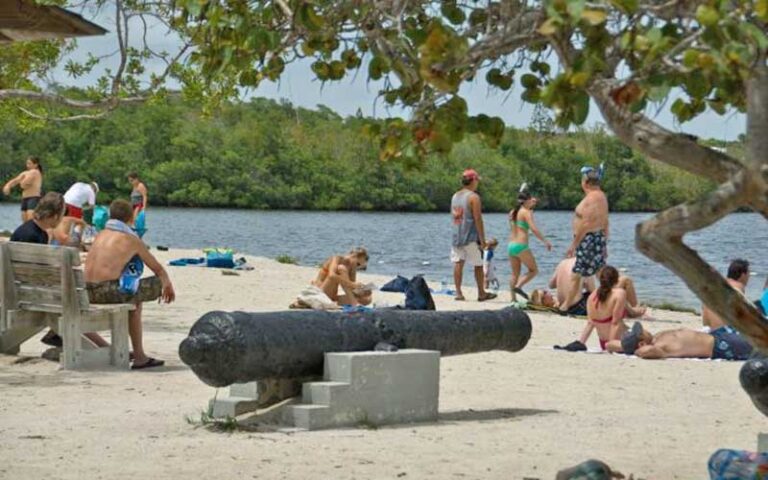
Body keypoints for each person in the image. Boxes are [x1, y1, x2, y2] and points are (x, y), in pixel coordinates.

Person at [84, 199, 175, 369]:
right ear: (130, 217)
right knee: (136, 303)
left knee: (130, 292)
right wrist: (167, 284)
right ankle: (140, 356)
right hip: (106, 293)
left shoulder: (100, 235)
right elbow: (157, 269)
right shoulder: (131, 239)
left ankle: (108, 348)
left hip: (86, 292)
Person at [559, 164, 609, 314]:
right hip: (595, 238)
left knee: (579, 272)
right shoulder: (600, 196)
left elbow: (586, 224)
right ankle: (612, 302)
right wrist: (604, 244)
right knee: (597, 271)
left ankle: (566, 305)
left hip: (588, 239)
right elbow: (606, 222)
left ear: (585, 183)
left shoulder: (592, 198)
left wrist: (574, 245)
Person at [450, 169, 496, 302]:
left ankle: (458, 293)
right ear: (473, 181)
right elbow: (478, 219)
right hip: (470, 236)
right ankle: (481, 293)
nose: (478, 184)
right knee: (478, 264)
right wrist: (482, 240)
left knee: (458, 262)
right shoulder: (473, 197)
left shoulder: (455, 196)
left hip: (456, 235)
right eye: (477, 181)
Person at [580, 265, 646, 351]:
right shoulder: (619, 293)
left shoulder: (592, 296)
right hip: (618, 341)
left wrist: (581, 343)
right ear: (616, 280)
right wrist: (611, 345)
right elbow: (615, 323)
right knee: (647, 336)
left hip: (603, 343)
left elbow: (590, 323)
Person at [617, 321, 753, 360]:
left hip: (717, 334)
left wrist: (624, 347)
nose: (644, 330)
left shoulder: (657, 338)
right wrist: (636, 351)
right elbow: (648, 351)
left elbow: (612, 345)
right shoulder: (659, 347)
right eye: (641, 332)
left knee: (755, 325)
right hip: (720, 345)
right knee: (759, 341)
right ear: (641, 343)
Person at [507, 185, 552, 301]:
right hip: (521, 245)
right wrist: (545, 241)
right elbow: (534, 229)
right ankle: (519, 286)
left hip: (511, 245)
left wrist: (531, 205)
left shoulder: (512, 212)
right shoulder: (526, 212)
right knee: (534, 270)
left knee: (514, 274)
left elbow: (520, 216)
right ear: (527, 201)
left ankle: (513, 300)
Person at [702, 259, 750, 329]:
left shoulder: (715, 288)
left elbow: (705, 322)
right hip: (727, 335)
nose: (749, 277)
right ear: (743, 275)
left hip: (712, 331)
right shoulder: (738, 291)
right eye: (748, 274)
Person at [3, 156, 43, 222]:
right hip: (25, 199)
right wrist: (8, 186)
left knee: (31, 221)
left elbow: (24, 185)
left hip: (33, 198)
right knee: (25, 222)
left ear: (36, 165)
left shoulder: (35, 172)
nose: (28, 165)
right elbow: (15, 180)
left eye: (30, 163)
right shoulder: (25, 173)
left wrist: (21, 182)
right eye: (27, 163)